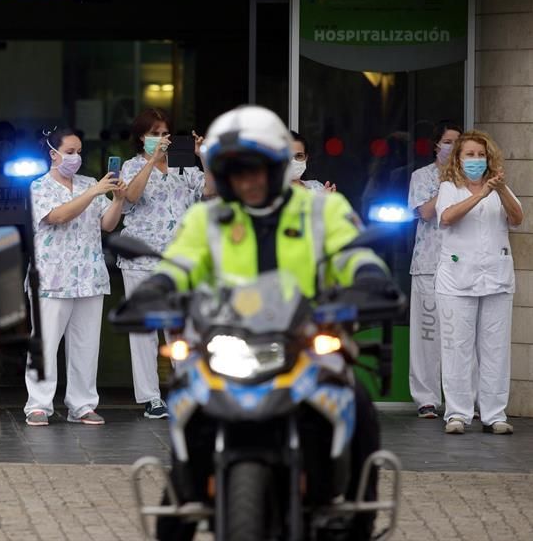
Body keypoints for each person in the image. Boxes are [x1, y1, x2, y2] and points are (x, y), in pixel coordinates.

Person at [124, 105, 398, 540]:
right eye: (235, 169)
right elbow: (179, 264)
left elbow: (354, 252)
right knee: (189, 407)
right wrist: (154, 290)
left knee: (357, 403)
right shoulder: (207, 218)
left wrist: (369, 280)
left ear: (277, 165)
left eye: (256, 167)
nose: (247, 179)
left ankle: (358, 515)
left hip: (307, 342)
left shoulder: (322, 209)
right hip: (226, 342)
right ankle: (181, 507)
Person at [24, 127, 127, 426]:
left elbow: (107, 225)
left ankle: (82, 405)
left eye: (79, 152)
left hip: (89, 276)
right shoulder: (38, 186)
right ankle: (38, 405)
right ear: (53, 154)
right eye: (70, 152)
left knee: (86, 345)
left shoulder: (89, 183)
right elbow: (57, 216)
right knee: (45, 343)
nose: (76, 157)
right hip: (51, 278)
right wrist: (93, 192)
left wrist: (118, 200)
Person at [119, 108, 212, 419]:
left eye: (164, 133)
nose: (160, 139)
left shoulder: (184, 166)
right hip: (140, 259)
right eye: (153, 133)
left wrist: (203, 157)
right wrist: (151, 161)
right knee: (144, 332)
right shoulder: (132, 166)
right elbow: (131, 197)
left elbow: (210, 191)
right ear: (141, 137)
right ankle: (150, 398)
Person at [436, 130, 523, 435]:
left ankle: (494, 414)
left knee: (495, 349)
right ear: (458, 159)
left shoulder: (500, 188)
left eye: (481, 155)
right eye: (470, 154)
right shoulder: (449, 187)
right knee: (457, 348)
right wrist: (481, 194)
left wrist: (499, 190)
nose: (476, 160)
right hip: (456, 279)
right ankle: (457, 414)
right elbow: (447, 217)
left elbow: (517, 218)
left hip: (496, 278)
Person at [407, 121, 462, 419]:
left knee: (460, 335)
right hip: (428, 264)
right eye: (448, 141)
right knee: (427, 334)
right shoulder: (422, 176)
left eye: (458, 142)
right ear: (436, 145)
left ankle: (462, 400)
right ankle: (426, 398)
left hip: (462, 266)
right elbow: (426, 212)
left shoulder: (470, 180)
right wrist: (447, 183)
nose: (453, 147)